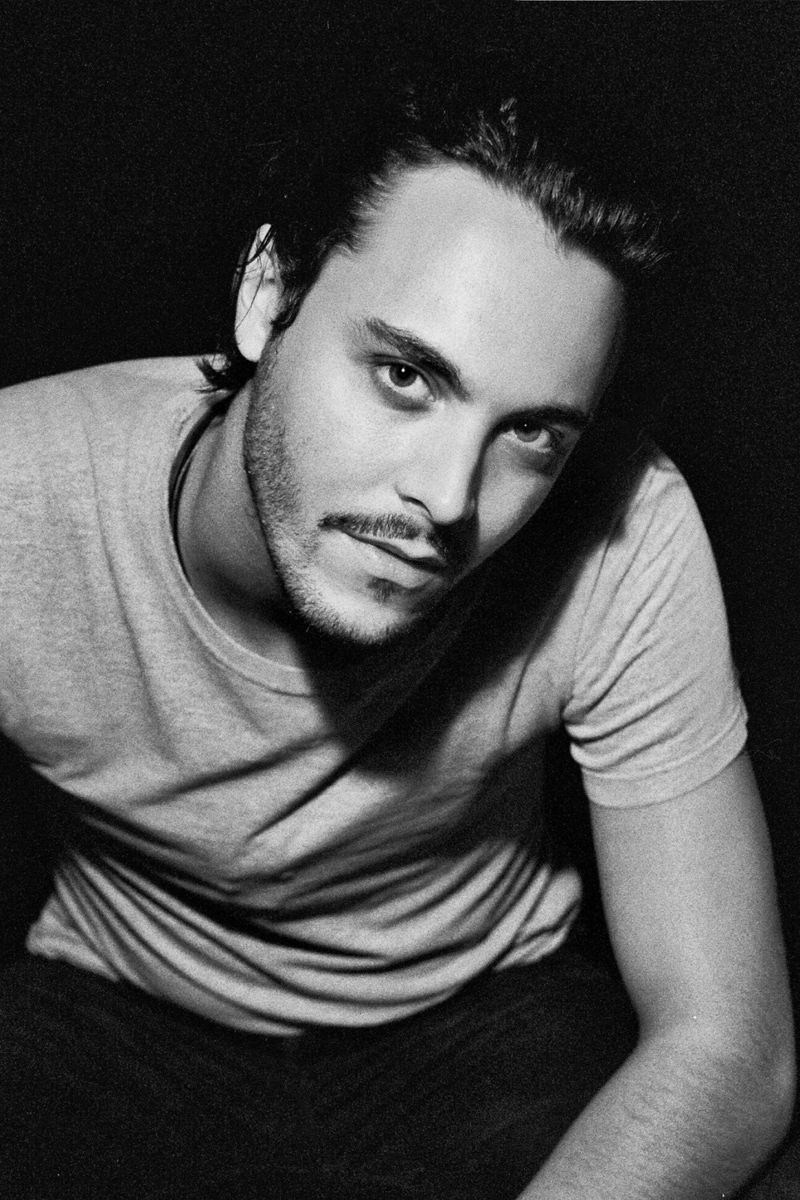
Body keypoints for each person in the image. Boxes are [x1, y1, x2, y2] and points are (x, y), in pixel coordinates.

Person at [0, 79, 794, 1200]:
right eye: (405, 376)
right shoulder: (18, 491)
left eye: (530, 433)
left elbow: (730, 1046)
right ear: (266, 296)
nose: (449, 498)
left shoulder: (623, 526)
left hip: (477, 1015)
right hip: (117, 1007)